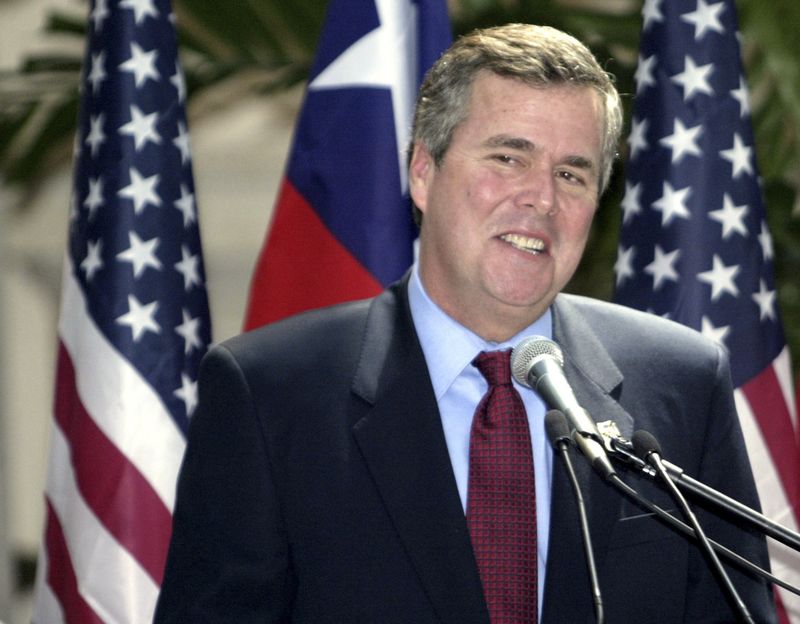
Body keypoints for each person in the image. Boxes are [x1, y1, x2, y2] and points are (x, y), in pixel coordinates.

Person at [154, 24, 777, 623]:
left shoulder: (682, 382)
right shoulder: (269, 393)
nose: (541, 197)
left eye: (572, 173)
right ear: (423, 172)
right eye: (509, 157)